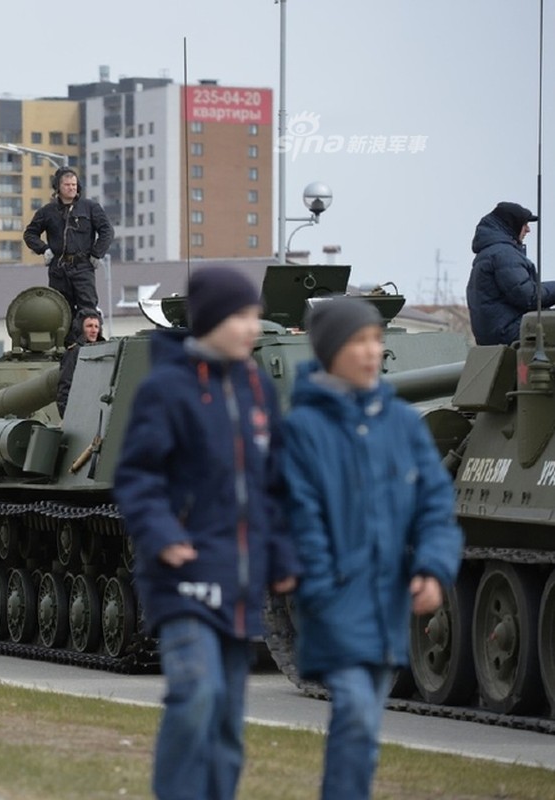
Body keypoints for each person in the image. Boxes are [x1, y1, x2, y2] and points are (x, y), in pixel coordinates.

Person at [114, 266, 299, 800]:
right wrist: (164, 533)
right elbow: (137, 476)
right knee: (196, 696)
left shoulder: (258, 388)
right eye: (242, 316)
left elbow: (276, 485)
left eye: (255, 317)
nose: (252, 328)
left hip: (239, 581)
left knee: (226, 725)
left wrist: (284, 560)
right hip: (184, 576)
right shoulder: (166, 389)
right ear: (213, 319)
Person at [281, 297, 463, 800]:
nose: (370, 352)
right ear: (331, 349)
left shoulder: (402, 424)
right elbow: (298, 516)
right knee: (358, 716)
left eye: (376, 341)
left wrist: (432, 567)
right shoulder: (303, 430)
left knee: (363, 726)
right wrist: (321, 585)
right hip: (334, 601)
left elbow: (434, 504)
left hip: (389, 603)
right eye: (358, 341)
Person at [23, 167, 114, 333]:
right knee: (60, 311)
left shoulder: (90, 207)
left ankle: (89, 346)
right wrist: (44, 249)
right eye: (67, 185)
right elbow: (30, 234)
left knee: (88, 310)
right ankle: (65, 349)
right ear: (58, 187)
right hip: (59, 269)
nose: (71, 188)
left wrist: (97, 253)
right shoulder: (47, 211)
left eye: (74, 184)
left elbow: (107, 230)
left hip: (83, 267)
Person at [467, 200, 552, 345]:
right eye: (524, 224)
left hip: (499, 331)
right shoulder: (503, 254)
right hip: (509, 331)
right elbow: (529, 297)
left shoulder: (493, 252)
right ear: (511, 224)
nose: (528, 230)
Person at [56, 308, 105, 417]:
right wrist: (67, 415)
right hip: (80, 411)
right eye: (89, 326)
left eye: (96, 326)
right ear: (81, 328)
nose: (94, 330)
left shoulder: (104, 351)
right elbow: (65, 385)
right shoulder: (74, 352)